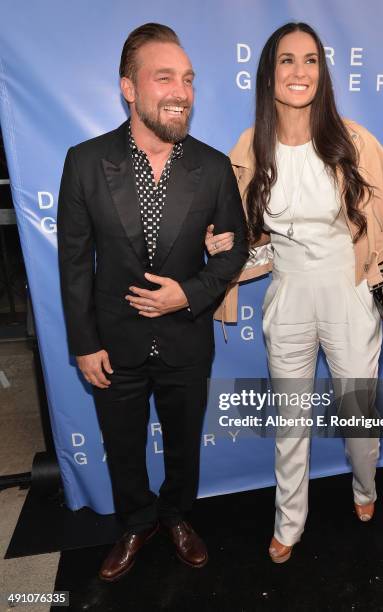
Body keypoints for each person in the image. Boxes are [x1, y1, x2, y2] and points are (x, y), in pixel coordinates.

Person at [206, 22, 383, 564]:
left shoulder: (354, 142)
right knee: (290, 422)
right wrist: (225, 251)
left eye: (310, 60)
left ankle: (365, 489)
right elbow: (251, 239)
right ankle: (290, 520)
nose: (299, 71)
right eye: (287, 60)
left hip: (350, 296)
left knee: (359, 418)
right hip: (288, 299)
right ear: (269, 73)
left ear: (322, 73)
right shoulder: (249, 147)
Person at [57, 23, 248, 581]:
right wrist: (84, 344)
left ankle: (177, 516)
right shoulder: (86, 162)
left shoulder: (212, 167)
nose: (180, 91)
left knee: (185, 445)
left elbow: (233, 255)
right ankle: (137, 523)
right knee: (122, 447)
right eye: (164, 77)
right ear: (128, 87)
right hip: (115, 343)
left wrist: (187, 295)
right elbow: (74, 262)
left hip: (188, 340)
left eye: (187, 79)